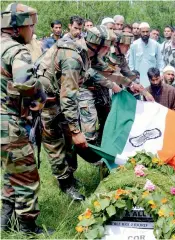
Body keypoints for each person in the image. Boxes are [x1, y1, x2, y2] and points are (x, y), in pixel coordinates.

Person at [35, 26, 115, 201]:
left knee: (69, 143)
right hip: (47, 104)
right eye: (107, 46)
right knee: (56, 143)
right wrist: (77, 131)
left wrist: (126, 84)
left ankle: (70, 175)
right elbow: (68, 98)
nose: (109, 50)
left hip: (59, 100)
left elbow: (105, 70)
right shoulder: (73, 58)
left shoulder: (86, 52)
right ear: (97, 45)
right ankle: (65, 184)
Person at [0, 3, 54, 234]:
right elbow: (25, 82)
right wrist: (40, 94)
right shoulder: (16, 50)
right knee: (27, 177)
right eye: (31, 26)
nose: (32, 32)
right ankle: (29, 229)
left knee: (11, 172)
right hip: (9, 123)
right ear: (19, 27)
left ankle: (5, 223)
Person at [128, 22, 164, 87]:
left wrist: (160, 74)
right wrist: (133, 78)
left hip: (153, 79)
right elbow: (131, 63)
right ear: (139, 32)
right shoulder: (134, 45)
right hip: (138, 78)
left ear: (149, 32)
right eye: (143, 32)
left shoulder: (155, 45)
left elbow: (160, 62)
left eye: (147, 32)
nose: (145, 34)